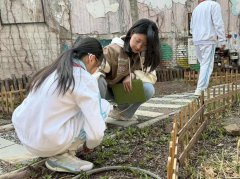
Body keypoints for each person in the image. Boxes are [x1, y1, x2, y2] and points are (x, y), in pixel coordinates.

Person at [12, 37, 110, 173]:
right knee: (104, 106)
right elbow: (96, 132)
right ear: (91, 59)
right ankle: (62, 155)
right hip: (47, 143)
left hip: (26, 137)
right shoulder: (84, 78)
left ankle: (55, 149)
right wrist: (90, 145)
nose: (94, 71)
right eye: (96, 67)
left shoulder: (52, 71)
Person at [95, 18, 160, 121]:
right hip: (106, 91)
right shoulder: (113, 50)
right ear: (132, 33)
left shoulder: (143, 56)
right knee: (98, 79)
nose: (139, 47)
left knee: (148, 89)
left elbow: (152, 76)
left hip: (123, 91)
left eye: (145, 45)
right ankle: (95, 117)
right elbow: (94, 70)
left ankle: (122, 114)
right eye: (138, 41)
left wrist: (132, 75)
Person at [190, 0, 226, 96]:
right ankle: (200, 89)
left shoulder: (196, 9)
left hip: (197, 40)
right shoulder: (214, 5)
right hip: (208, 39)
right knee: (207, 65)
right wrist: (222, 40)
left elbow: (191, 27)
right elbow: (218, 23)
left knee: (203, 64)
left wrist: (196, 37)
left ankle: (203, 88)